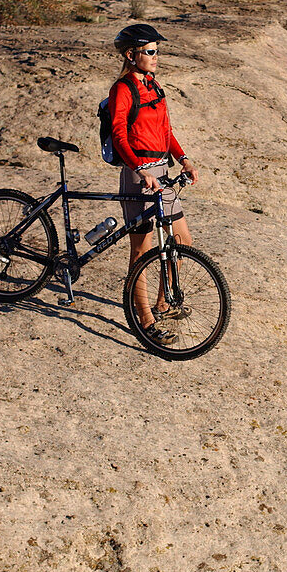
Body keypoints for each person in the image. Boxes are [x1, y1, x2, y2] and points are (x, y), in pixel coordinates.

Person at [109, 23, 198, 343]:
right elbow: (119, 134)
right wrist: (138, 168)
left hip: (162, 172)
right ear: (131, 55)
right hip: (138, 176)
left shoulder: (154, 85)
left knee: (182, 239)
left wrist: (184, 158)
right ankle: (144, 320)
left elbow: (166, 131)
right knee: (142, 250)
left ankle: (162, 302)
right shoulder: (122, 89)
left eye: (157, 51)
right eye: (149, 52)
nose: (155, 56)